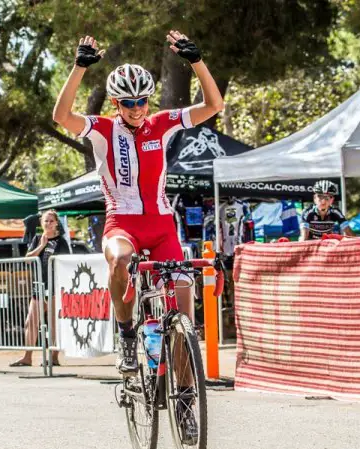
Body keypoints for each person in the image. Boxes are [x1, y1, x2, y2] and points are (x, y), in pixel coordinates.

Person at [52, 31, 223, 378]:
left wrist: (196, 61)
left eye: (142, 101)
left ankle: (186, 399)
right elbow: (61, 116)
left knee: (184, 313)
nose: (137, 109)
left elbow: (214, 106)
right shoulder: (101, 128)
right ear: (116, 104)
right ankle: (128, 333)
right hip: (122, 224)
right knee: (120, 259)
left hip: (160, 226)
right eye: (128, 103)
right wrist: (78, 69)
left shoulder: (161, 124)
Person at [11, 210, 70, 367]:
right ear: (41, 223)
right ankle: (27, 356)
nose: (48, 223)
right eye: (46, 221)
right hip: (38, 286)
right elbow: (27, 260)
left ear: (57, 223)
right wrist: (41, 246)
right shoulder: (37, 239)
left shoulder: (61, 242)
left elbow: (67, 264)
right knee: (31, 321)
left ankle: (54, 356)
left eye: (51, 221)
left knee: (53, 323)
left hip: (54, 287)